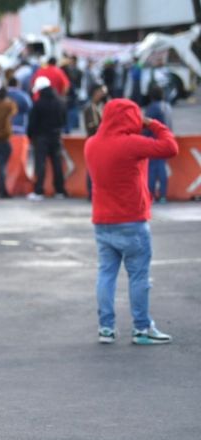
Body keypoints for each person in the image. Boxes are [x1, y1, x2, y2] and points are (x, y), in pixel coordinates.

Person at [84, 98, 177, 345]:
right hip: (132, 220)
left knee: (106, 274)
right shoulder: (132, 144)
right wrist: (153, 123)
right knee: (138, 277)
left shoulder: (91, 144)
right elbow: (170, 148)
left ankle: (106, 328)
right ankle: (141, 328)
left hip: (102, 220)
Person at [27, 77, 67, 201]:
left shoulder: (38, 104)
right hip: (56, 136)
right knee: (57, 164)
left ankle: (39, 191)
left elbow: (32, 123)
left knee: (40, 165)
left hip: (41, 138)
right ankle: (60, 191)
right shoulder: (60, 101)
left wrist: (31, 136)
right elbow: (64, 120)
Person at [143, 85, 173, 203]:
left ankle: (151, 195)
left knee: (152, 170)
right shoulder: (168, 107)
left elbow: (147, 126)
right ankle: (163, 195)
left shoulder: (151, 108)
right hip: (166, 140)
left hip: (154, 142)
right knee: (162, 169)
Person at [83, 84, 108, 199]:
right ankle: (91, 193)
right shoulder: (91, 108)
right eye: (101, 92)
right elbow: (93, 127)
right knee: (93, 168)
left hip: (97, 141)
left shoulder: (99, 107)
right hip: (94, 141)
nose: (103, 94)